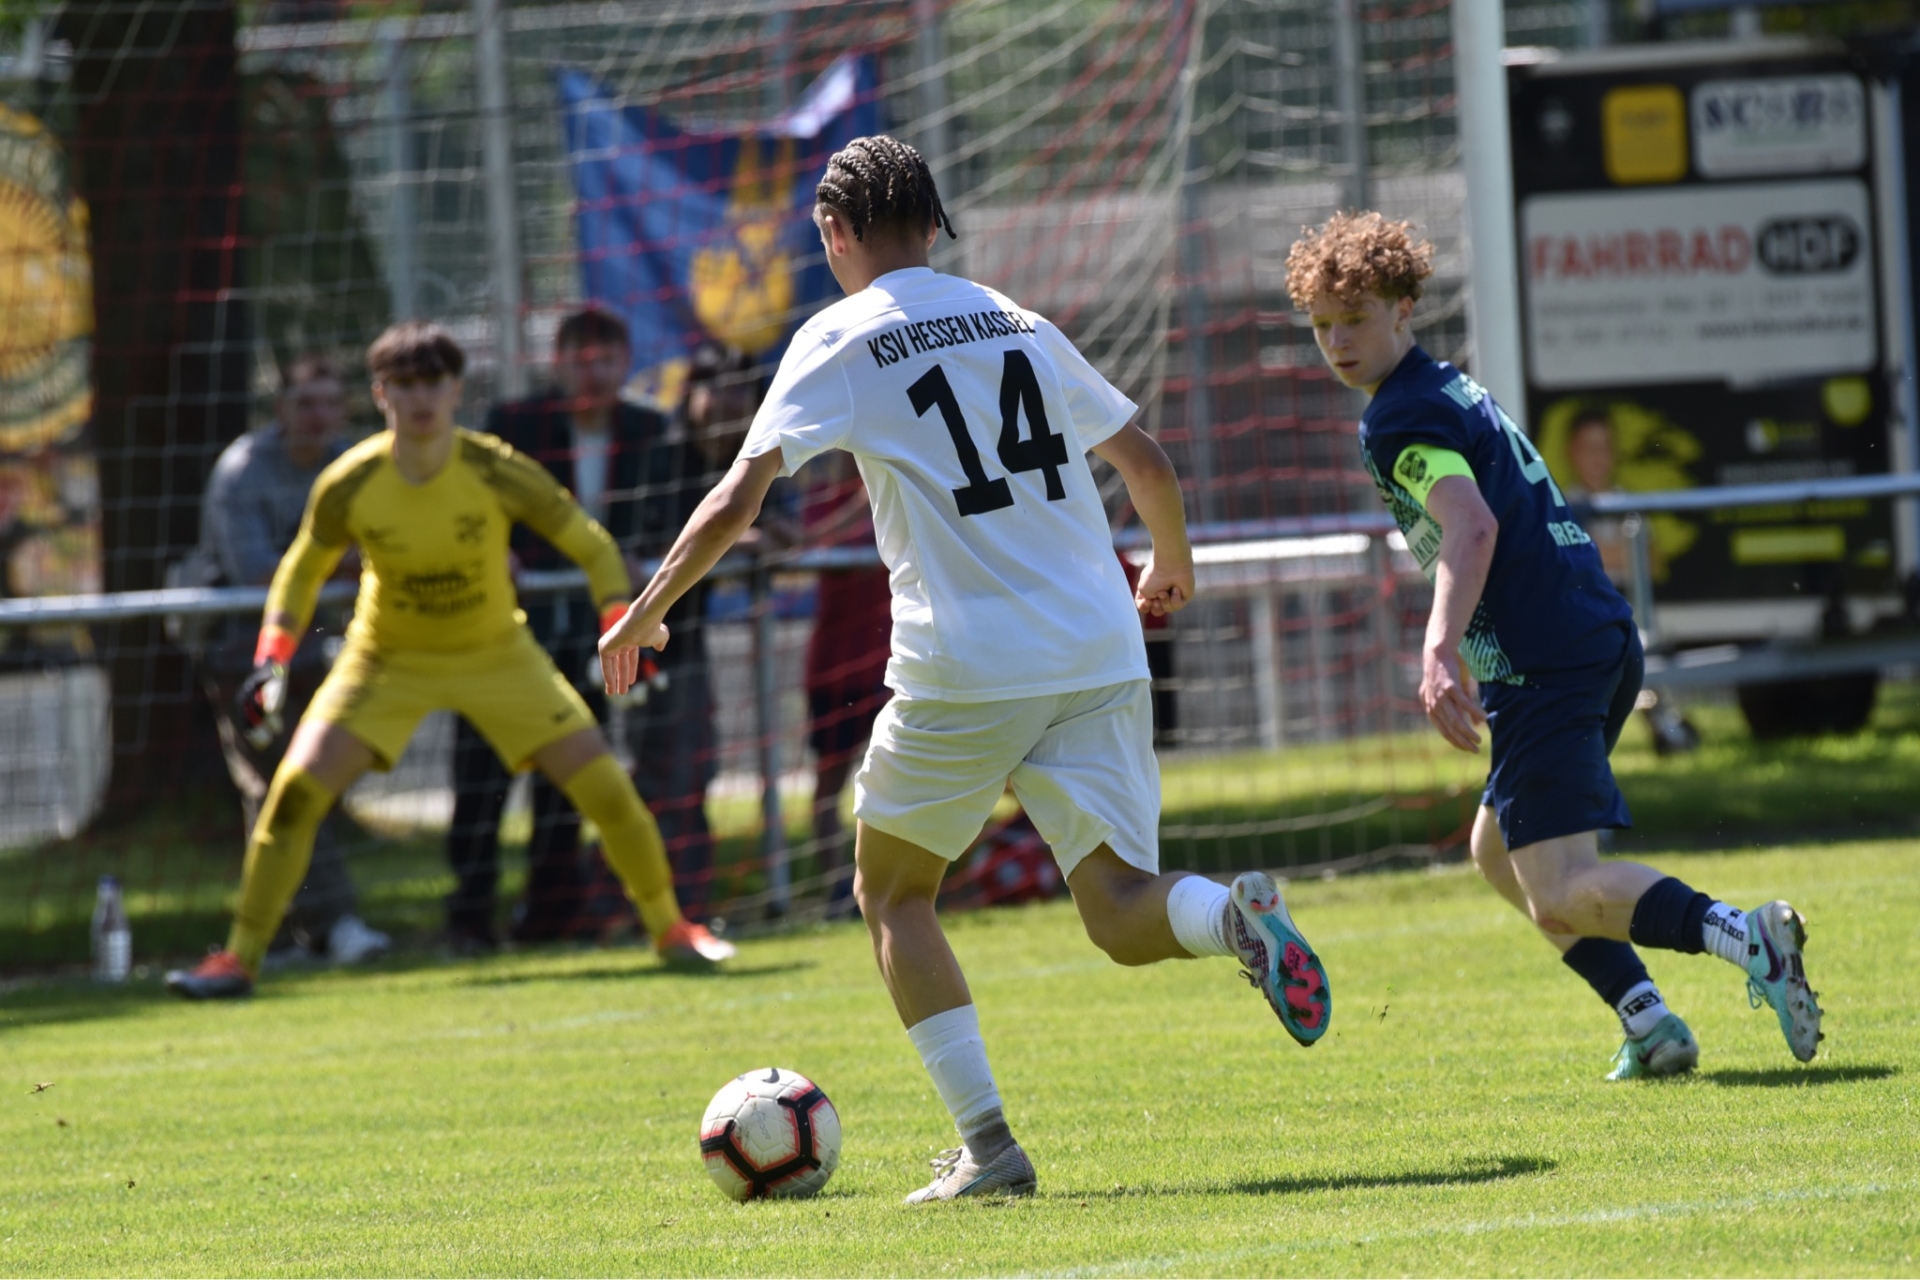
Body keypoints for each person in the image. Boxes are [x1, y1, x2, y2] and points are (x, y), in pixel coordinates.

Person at [600, 135, 1332, 1202]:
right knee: (1120, 907)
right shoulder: (1017, 320)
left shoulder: (841, 336)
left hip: (969, 664)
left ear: (833, 233)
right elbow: (1146, 461)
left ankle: (990, 1147)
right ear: (936, 225)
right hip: (1098, 643)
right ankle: (1230, 916)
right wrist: (1170, 565)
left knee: (893, 891)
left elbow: (738, 496)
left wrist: (646, 611)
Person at [1285, 210, 1823, 1079]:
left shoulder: (1399, 416)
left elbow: (1471, 528)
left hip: (1544, 661)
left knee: (1564, 886)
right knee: (1497, 851)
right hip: (1591, 635)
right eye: (1321, 326)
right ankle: (1649, 1022)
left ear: (1405, 307)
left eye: (1356, 318)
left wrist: (1437, 648)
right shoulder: (1443, 386)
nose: (1338, 342)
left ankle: (1744, 935)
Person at [164, 321, 733, 1000]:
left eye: (433, 381)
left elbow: (590, 543)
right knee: (293, 794)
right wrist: (272, 657)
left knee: (607, 789)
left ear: (456, 389)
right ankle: (239, 958)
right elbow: (299, 571)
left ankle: (672, 930)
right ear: (381, 394)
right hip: (385, 660)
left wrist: (620, 623)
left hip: (497, 654)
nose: (421, 397)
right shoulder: (351, 480)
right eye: (405, 384)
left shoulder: (493, 466)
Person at [443, 306, 664, 949]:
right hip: (504, 636)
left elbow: (666, 510)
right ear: (557, 363)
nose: (592, 373)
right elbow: (476, 504)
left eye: (606, 360)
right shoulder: (513, 426)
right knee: (481, 778)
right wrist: (499, 553)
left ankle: (551, 915)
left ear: (626, 363)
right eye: (580, 359)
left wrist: (641, 559)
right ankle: (469, 919)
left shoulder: (650, 430)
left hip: (593, 636)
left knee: (569, 781)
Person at [193, 355, 389, 966]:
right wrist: (346, 563)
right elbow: (258, 573)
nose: (318, 416)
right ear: (280, 409)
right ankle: (333, 925)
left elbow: (386, 543)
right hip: (245, 655)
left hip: (325, 651)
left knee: (293, 790)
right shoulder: (243, 471)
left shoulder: (354, 462)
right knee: (286, 785)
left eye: (330, 402)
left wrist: (341, 564)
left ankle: (279, 935)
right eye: (305, 403)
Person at [799, 453, 891, 915]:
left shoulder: (895, 488)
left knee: (899, 781)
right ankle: (838, 889)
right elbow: (814, 544)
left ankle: (896, 882)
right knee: (829, 784)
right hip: (834, 668)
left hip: (894, 668)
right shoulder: (822, 500)